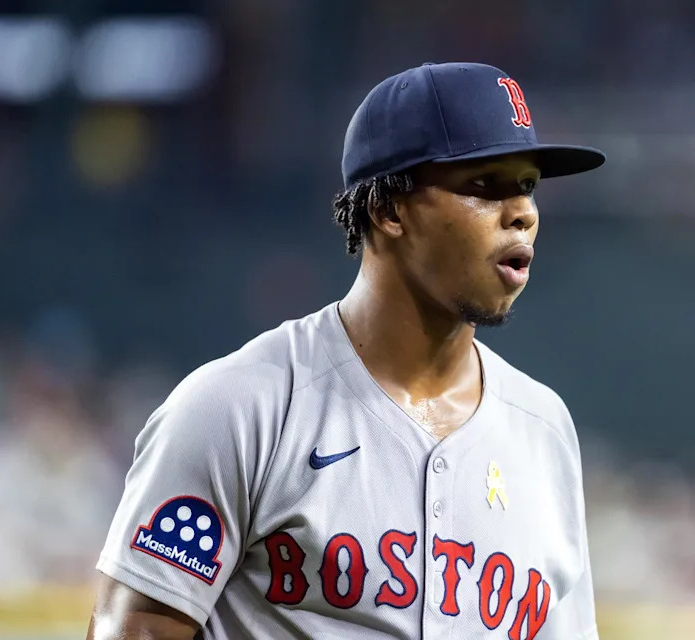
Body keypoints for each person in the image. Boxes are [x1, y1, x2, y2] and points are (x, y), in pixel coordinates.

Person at [87, 62, 605, 640]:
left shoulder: (544, 430)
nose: (523, 213)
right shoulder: (241, 408)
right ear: (388, 210)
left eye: (528, 185)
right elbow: (136, 630)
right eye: (483, 185)